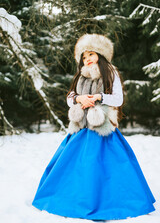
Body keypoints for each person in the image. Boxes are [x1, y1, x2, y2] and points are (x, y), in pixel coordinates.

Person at [32, 34, 156, 221]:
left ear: (100, 53)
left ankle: (114, 200)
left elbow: (118, 98)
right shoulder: (80, 75)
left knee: (107, 166)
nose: (87, 58)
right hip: (81, 128)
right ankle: (69, 198)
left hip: (103, 129)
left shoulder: (110, 73)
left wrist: (98, 97)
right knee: (71, 165)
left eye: (91, 54)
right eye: (84, 56)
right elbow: (69, 98)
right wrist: (78, 99)